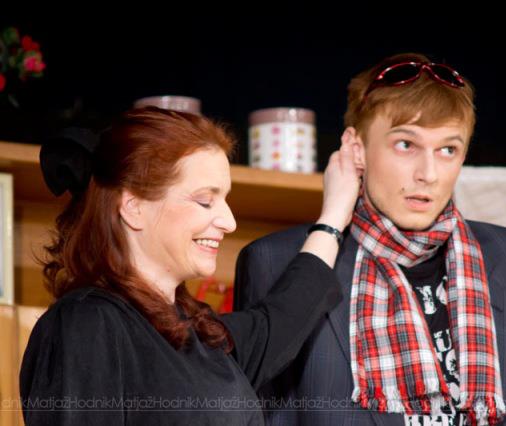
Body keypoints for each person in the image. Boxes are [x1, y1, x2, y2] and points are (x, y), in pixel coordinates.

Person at [234, 53, 506, 425]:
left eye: (448, 149)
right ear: (356, 148)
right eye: (405, 145)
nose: (428, 173)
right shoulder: (277, 261)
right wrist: (333, 216)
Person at [20, 106, 362, 425]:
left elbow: (286, 314)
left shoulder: (198, 336)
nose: (228, 221)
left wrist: (334, 214)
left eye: (224, 200)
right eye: (204, 201)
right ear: (133, 207)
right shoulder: (87, 322)